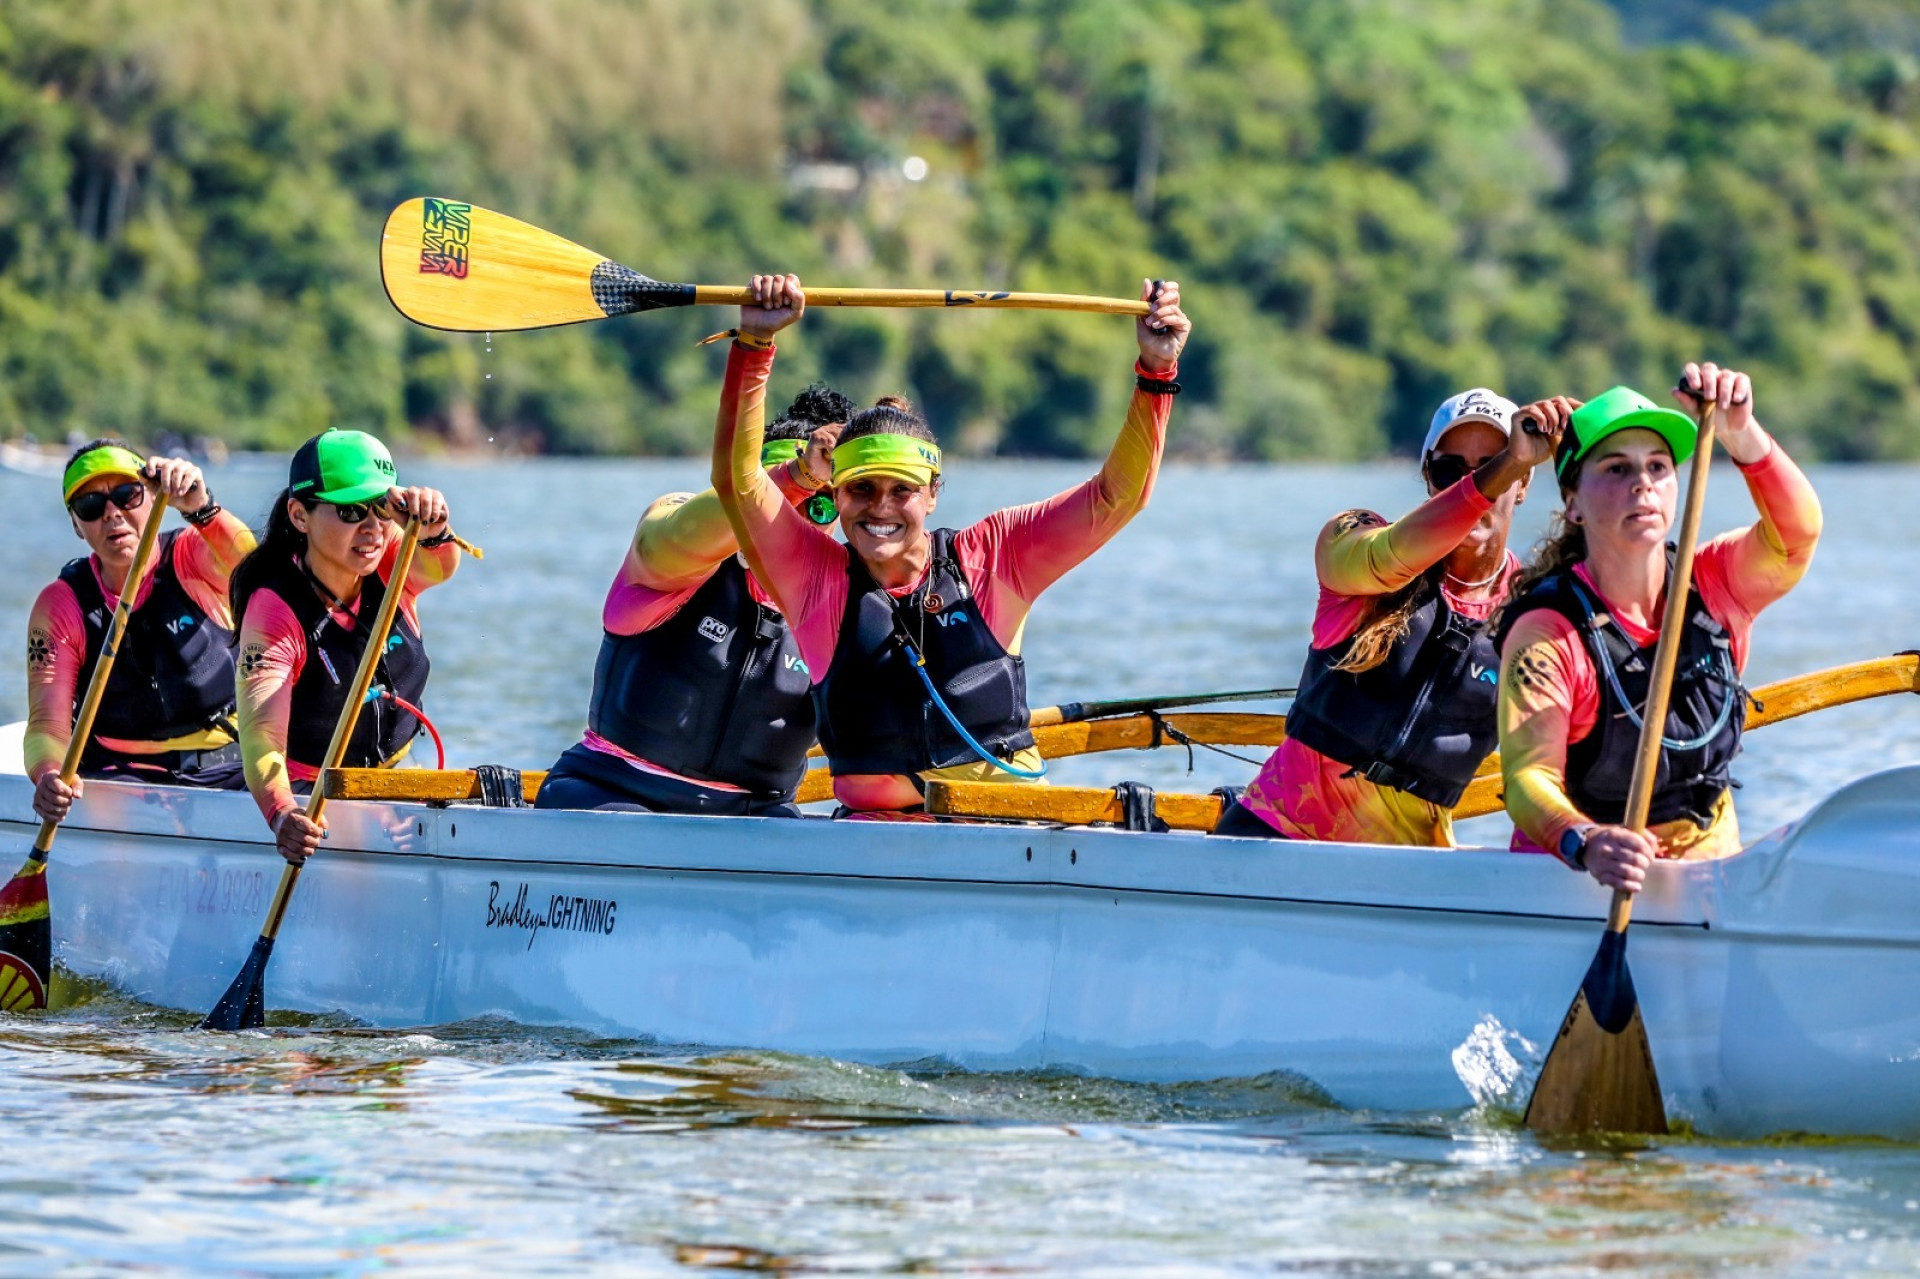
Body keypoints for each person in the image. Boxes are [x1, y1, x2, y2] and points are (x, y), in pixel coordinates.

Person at [712, 273, 1191, 814]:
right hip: (875, 842)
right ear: (835, 493)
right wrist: (754, 344)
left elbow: (1115, 498)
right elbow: (738, 485)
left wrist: (1156, 372)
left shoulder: (995, 556)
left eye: (903, 491)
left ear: (933, 494)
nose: (881, 508)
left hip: (1006, 835)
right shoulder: (814, 577)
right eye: (861, 490)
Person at [1495, 363, 1822, 890]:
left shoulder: (1715, 583)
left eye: (1658, 467)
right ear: (1573, 503)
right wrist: (1585, 840)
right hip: (1578, 882)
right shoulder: (1547, 634)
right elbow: (1527, 778)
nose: (1643, 484)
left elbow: (1797, 534)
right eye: (1617, 469)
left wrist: (1742, 432)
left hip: (1708, 870)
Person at [1215, 390, 1574, 846]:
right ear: (1428, 477)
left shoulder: (1532, 613)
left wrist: (1584, 460)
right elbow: (1391, 554)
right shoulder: (1352, 540)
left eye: (1494, 464)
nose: (1475, 481)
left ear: (1524, 486)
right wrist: (1504, 466)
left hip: (1410, 869)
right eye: (1451, 470)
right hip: (1277, 834)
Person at [535, 382, 856, 816]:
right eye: (776, 503)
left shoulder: (847, 602)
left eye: (819, 509)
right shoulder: (671, 542)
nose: (791, 528)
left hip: (757, 817)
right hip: (611, 791)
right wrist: (799, 477)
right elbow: (693, 527)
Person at [229, 429, 463, 865]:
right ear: (300, 516)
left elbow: (442, 564)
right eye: (352, 511)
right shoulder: (275, 612)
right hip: (312, 797)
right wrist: (283, 816)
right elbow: (261, 741)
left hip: (396, 786)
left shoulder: (392, 558)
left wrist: (435, 529)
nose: (373, 528)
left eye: (381, 508)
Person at [26, 440, 256, 822]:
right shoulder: (61, 605)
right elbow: (45, 726)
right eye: (90, 506)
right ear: (76, 524)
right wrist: (48, 775)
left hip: (229, 769)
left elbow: (259, 575)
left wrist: (203, 510)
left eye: (127, 495)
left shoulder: (191, 556)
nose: (112, 514)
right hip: (119, 780)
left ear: (153, 500)